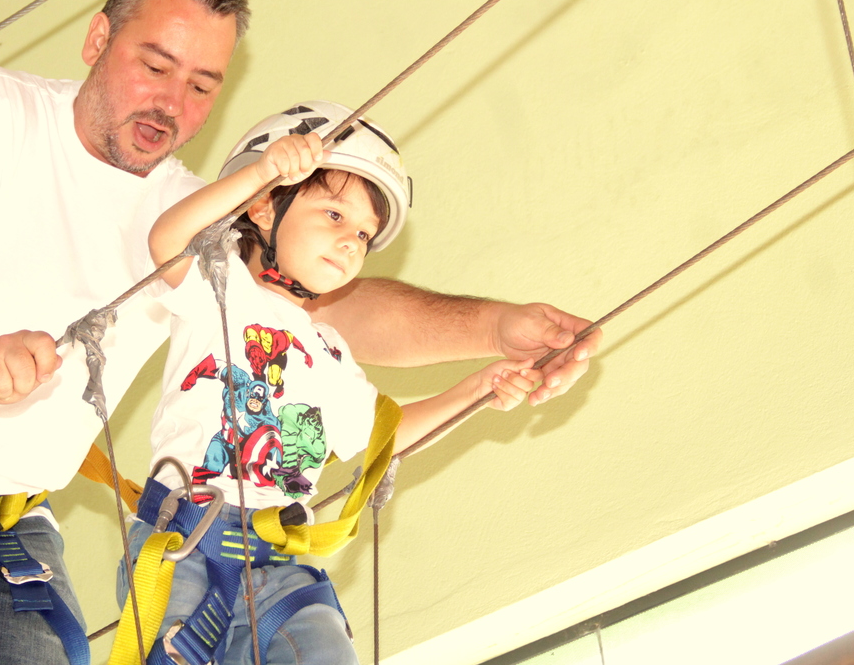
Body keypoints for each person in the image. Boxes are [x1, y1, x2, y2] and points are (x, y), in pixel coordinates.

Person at [0, 0, 599, 665]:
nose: (171, 103)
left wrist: (496, 329)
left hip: (3, 529)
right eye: (154, 66)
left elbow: (321, 317)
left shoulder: (198, 214)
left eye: (201, 85)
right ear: (96, 38)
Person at [120, 100, 544, 665]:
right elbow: (167, 239)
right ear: (266, 211)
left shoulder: (327, 349)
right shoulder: (216, 284)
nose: (351, 243)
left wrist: (477, 389)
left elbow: (381, 436)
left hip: (283, 555)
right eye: (336, 217)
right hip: (185, 539)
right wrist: (263, 173)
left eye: (365, 236)